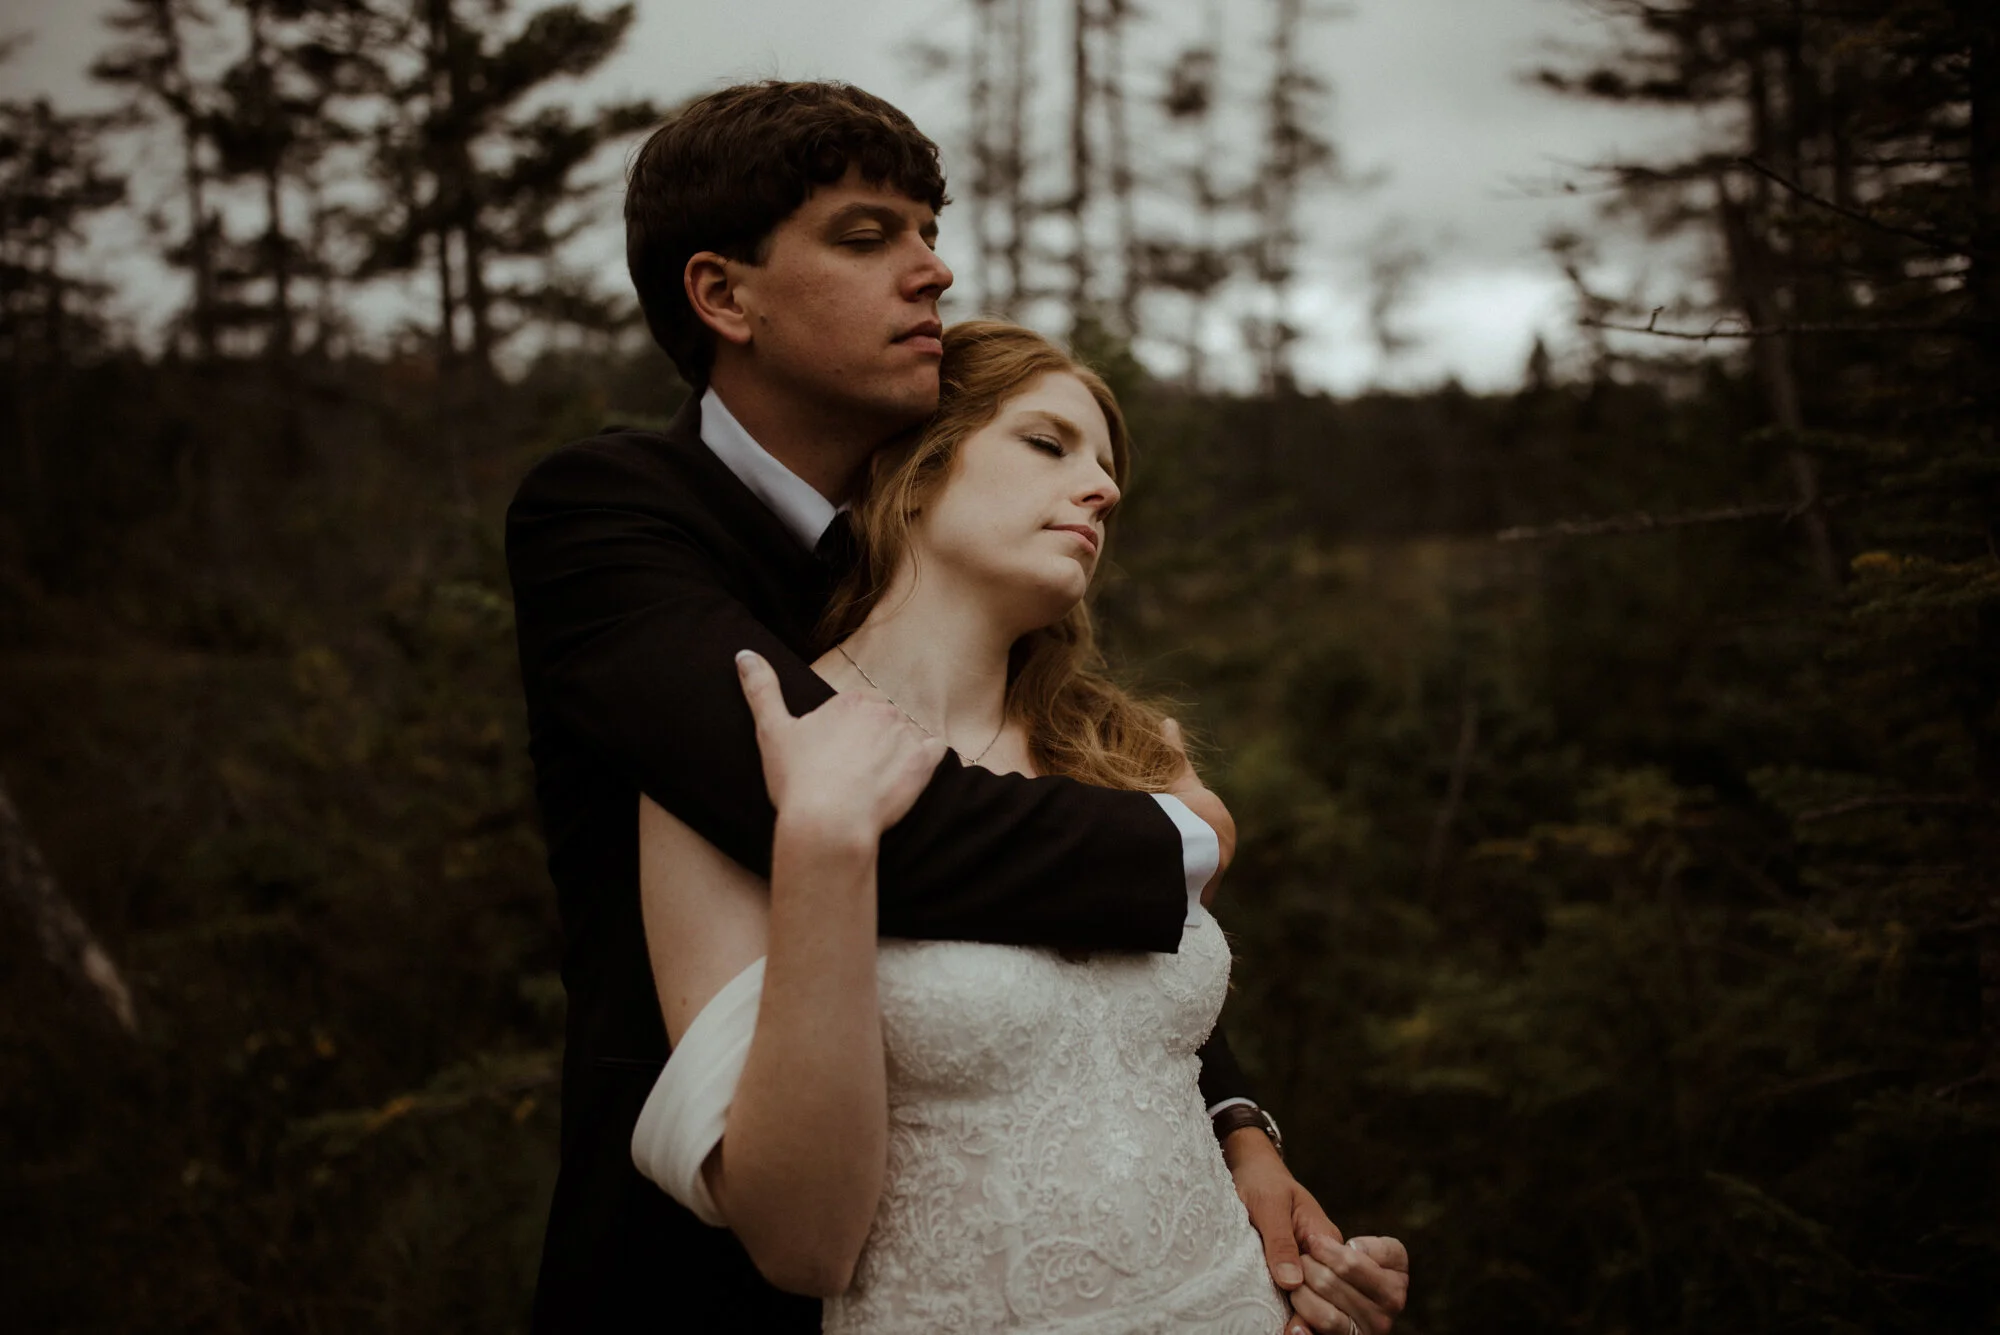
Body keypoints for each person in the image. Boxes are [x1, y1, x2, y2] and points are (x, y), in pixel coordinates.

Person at [505, 79, 1409, 1334]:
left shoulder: (969, 621)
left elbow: (1055, 952)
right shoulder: (615, 522)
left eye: (930, 232)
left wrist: (1229, 1121)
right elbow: (891, 827)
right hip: (715, 1252)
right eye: (869, 236)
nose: (931, 271)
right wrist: (1185, 838)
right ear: (722, 295)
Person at [636, 318, 1332, 1333]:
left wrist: (1257, 1162)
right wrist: (825, 843)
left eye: (1106, 467)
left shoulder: (1132, 755)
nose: (1103, 488)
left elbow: (1133, 1047)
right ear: (915, 473)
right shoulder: (742, 761)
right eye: (1048, 445)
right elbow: (800, 1245)